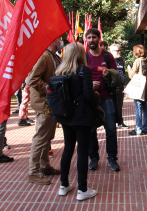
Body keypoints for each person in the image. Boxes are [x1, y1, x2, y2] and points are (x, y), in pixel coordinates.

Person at [54, 42, 97, 201]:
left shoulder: (60, 71)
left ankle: (63, 186)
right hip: (82, 116)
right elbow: (87, 95)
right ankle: (82, 190)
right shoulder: (83, 70)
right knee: (82, 152)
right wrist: (94, 92)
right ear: (79, 54)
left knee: (68, 149)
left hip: (65, 116)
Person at [27, 38, 62, 185]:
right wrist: (49, 88)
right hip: (44, 104)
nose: (61, 41)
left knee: (47, 137)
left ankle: (44, 166)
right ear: (54, 41)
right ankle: (33, 172)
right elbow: (32, 80)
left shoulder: (54, 57)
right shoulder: (44, 56)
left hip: (50, 103)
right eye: (59, 38)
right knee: (40, 138)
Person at [85, 28, 120, 172]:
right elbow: (79, 76)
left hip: (107, 98)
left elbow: (117, 75)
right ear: (86, 40)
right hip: (90, 99)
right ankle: (93, 158)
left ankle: (112, 158)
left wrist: (109, 72)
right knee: (91, 130)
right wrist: (89, 85)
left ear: (99, 39)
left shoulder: (107, 56)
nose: (91, 40)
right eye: (89, 38)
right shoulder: (84, 56)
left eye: (94, 37)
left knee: (111, 129)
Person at [127, 44, 147, 136]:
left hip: (138, 89)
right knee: (145, 108)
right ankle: (145, 128)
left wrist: (129, 69)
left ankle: (138, 128)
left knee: (138, 109)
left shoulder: (138, 61)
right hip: (146, 89)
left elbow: (131, 75)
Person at [110, 43, 128, 129]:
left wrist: (124, 83)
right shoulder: (109, 60)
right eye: (117, 50)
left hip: (120, 87)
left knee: (120, 105)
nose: (119, 52)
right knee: (112, 106)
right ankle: (111, 123)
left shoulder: (120, 60)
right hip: (112, 87)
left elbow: (123, 72)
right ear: (111, 51)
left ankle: (120, 122)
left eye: (120, 50)